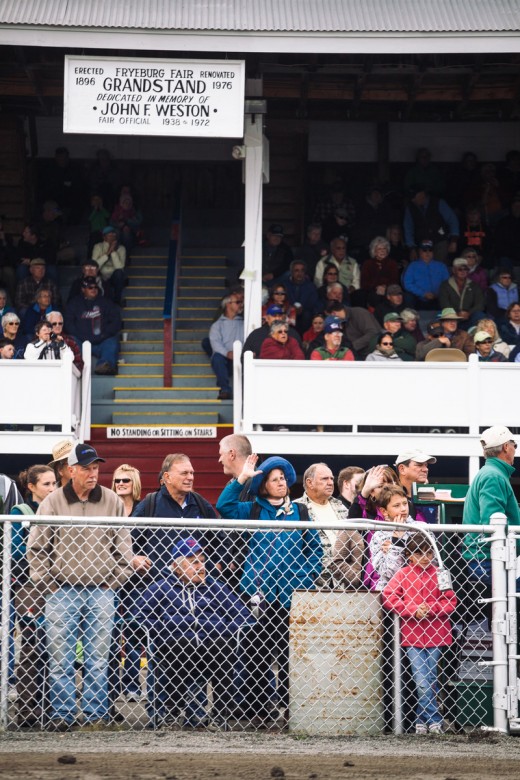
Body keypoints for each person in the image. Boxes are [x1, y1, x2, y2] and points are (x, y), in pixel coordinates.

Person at [26, 443, 132, 731]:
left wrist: (112, 583)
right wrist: (50, 585)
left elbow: (124, 549)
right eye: (86, 468)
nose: (93, 473)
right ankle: (63, 715)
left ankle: (95, 716)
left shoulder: (111, 501)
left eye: (96, 467)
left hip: (101, 591)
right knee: (60, 658)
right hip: (62, 591)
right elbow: (36, 549)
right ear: (70, 470)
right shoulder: (53, 502)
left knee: (99, 659)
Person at [216, 454, 322, 724]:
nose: (281, 483)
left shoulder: (301, 512)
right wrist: (242, 479)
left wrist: (304, 578)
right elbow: (224, 505)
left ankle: (291, 710)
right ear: (263, 485)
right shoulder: (251, 509)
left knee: (290, 657)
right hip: (256, 595)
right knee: (255, 656)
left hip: (290, 597)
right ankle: (258, 712)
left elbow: (315, 552)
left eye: (283, 478)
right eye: (274, 479)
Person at [132, 537, 255, 730]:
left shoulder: (216, 587)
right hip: (176, 642)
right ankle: (171, 714)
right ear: (176, 566)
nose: (201, 566)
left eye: (203, 561)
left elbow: (243, 615)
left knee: (225, 650)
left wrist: (223, 631)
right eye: (194, 562)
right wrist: (165, 630)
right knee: (175, 648)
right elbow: (140, 616)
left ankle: (219, 716)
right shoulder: (161, 587)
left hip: (212, 642)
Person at [383, 535, 457, 735]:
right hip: (412, 635)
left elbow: (450, 601)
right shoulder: (403, 574)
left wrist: (430, 609)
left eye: (429, 552)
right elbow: (388, 596)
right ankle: (434, 718)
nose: (425, 557)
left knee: (429, 678)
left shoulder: (441, 574)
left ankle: (421, 719)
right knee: (421, 680)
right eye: (418, 552)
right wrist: (411, 609)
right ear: (409, 555)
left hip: (436, 634)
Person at [10, 464, 56, 727]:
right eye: (46, 484)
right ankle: (27, 709)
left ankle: (51, 708)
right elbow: (17, 553)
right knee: (31, 646)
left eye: (54, 484)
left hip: (57, 586)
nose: (52, 489)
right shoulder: (22, 513)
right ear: (31, 487)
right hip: (29, 587)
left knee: (56, 648)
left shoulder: (60, 509)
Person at [131, 453, 218, 580]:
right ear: (167, 477)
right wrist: (133, 558)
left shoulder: (201, 504)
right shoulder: (150, 504)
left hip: (195, 587)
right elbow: (127, 539)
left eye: (192, 473)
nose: (190, 478)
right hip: (158, 587)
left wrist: (217, 566)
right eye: (184, 473)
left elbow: (220, 541)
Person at [462, 426, 520, 588]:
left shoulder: (490, 473)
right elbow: (493, 523)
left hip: (486, 558)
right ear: (505, 447)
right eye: (514, 444)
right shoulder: (493, 476)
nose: (515, 449)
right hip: (488, 560)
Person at [109, 464, 146, 706]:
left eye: (126, 480)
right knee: (110, 634)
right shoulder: (108, 509)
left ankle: (132, 686)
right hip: (111, 578)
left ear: (135, 484)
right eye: (117, 480)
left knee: (133, 633)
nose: (120, 484)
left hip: (137, 581)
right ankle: (111, 689)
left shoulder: (143, 511)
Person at [295, 463, 364, 589]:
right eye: (324, 479)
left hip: (343, 582)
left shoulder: (340, 506)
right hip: (312, 583)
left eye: (331, 478)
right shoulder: (296, 508)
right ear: (310, 483)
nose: (330, 482)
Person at [65, 276, 122, 375]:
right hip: (81, 341)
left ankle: (104, 365)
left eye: (95, 287)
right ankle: (77, 367)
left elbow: (116, 321)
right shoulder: (74, 303)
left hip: (101, 341)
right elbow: (68, 323)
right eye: (90, 288)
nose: (94, 290)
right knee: (71, 339)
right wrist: (80, 335)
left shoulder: (106, 302)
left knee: (112, 341)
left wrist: (104, 335)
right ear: (83, 289)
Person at [403, 187, 459, 263]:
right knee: (423, 268)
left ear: (422, 195)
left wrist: (454, 240)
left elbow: (452, 220)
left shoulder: (438, 202)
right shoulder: (410, 208)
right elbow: (408, 228)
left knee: (440, 266)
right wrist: (411, 248)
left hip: (440, 241)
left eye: (414, 197)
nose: (413, 200)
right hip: (421, 243)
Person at [208, 293, 244, 400]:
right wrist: (227, 353)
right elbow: (215, 344)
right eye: (238, 302)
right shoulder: (217, 325)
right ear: (228, 305)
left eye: (241, 302)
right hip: (225, 360)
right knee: (217, 357)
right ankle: (225, 389)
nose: (241, 305)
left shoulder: (244, 323)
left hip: (241, 358)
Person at [438, 257, 485, 327]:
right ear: (454, 270)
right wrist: (456, 314)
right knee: (442, 314)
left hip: (469, 317)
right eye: (460, 269)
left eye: (465, 269)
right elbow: (444, 303)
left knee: (480, 315)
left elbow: (480, 304)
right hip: (452, 316)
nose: (463, 271)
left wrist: (468, 313)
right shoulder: (445, 285)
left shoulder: (474, 285)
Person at [402, 240, 449, 310]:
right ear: (420, 252)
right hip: (418, 298)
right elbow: (407, 284)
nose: (427, 252)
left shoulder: (441, 266)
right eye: (424, 250)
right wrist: (423, 293)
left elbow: (447, 283)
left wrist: (438, 294)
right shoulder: (413, 266)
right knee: (408, 297)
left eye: (430, 250)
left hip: (437, 298)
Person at [359, 237, 400, 308]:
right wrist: (376, 287)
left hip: (389, 290)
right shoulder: (367, 264)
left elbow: (395, 280)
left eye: (384, 248)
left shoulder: (392, 263)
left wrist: (385, 287)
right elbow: (364, 283)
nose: (382, 251)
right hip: (372, 291)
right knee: (373, 297)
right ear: (374, 251)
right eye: (379, 249)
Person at [91, 226, 127, 305]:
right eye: (109, 235)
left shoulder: (121, 248)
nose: (112, 237)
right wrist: (107, 253)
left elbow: (119, 267)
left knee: (119, 273)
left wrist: (113, 251)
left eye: (114, 235)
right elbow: (94, 266)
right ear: (104, 237)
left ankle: (117, 299)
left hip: (114, 277)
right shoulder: (98, 247)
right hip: (101, 276)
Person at [283, 260, 319, 333]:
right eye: (296, 270)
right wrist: (292, 308)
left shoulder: (311, 286)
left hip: (305, 314)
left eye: (302, 271)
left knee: (307, 315)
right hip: (289, 312)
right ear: (291, 272)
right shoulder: (285, 285)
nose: (299, 273)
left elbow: (314, 302)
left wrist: (302, 308)